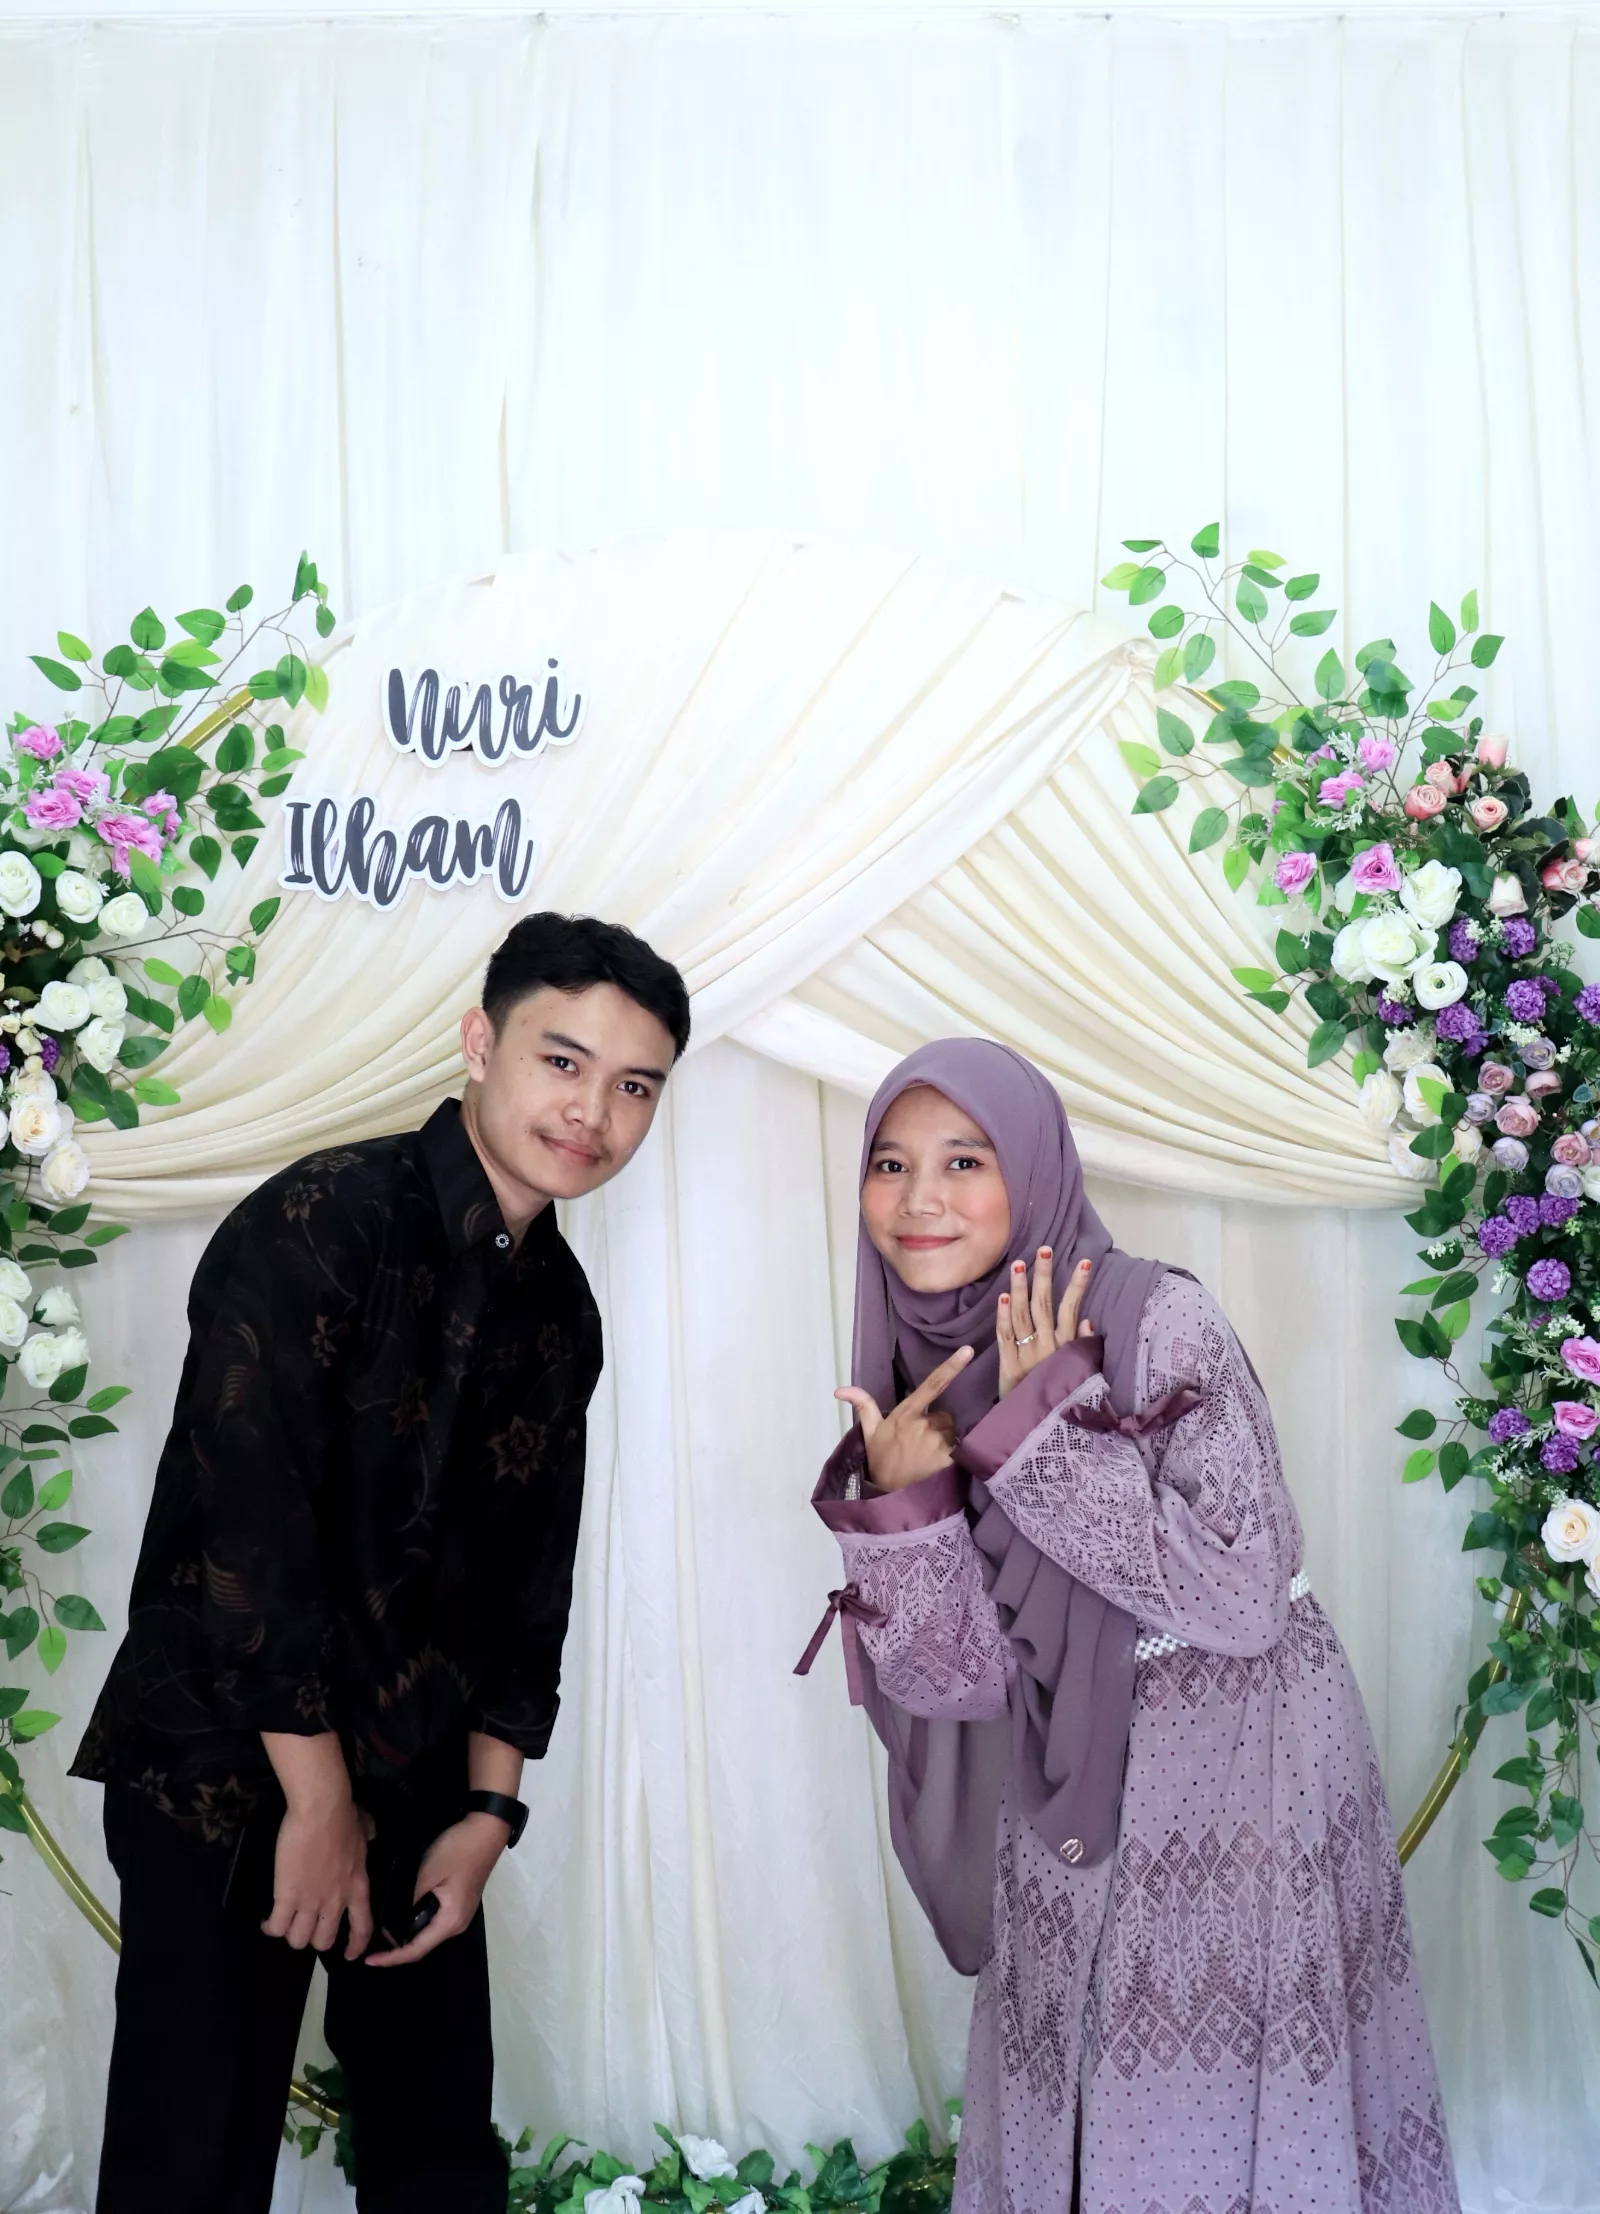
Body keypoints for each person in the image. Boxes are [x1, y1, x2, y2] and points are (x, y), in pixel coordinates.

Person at [71, 911, 691, 2214]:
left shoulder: (560, 1311)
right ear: (479, 1043)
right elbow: (246, 1535)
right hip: (223, 1770)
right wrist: (315, 1808)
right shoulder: (319, 1219)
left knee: (439, 2159)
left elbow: (532, 1581)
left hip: (416, 1781)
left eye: (635, 1085)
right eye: (563, 1061)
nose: (592, 1111)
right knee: (191, 2170)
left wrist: (487, 1815)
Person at [798, 1038, 1458, 2214]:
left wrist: (1046, 1428)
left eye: (963, 1160)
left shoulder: (1156, 1319)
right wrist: (904, 1510)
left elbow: (1241, 1594)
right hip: (1062, 1781)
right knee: (1071, 2070)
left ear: (1034, 1168)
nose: (919, 1199)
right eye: (890, 1165)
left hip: (1241, 1764)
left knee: (1211, 2089)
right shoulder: (912, 1361)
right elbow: (960, 1682)